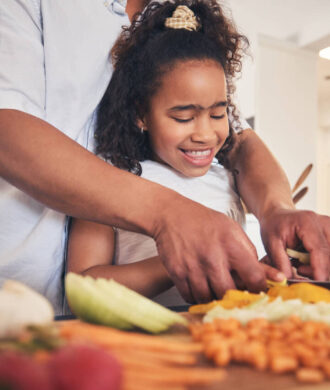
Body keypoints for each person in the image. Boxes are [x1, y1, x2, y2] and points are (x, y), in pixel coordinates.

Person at [0, 0, 329, 314]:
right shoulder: (115, 174)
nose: (204, 133)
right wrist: (176, 258)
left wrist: (272, 239)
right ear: (141, 114)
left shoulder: (223, 173)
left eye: (218, 114)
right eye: (183, 118)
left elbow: (240, 141)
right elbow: (84, 284)